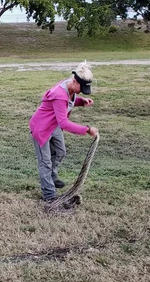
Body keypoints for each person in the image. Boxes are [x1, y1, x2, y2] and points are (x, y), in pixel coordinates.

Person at [29, 61, 99, 202]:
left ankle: (52, 175)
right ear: (74, 81)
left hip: (53, 125)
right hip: (41, 128)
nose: (81, 91)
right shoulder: (60, 93)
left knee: (61, 152)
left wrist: (81, 101)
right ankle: (49, 196)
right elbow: (64, 123)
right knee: (45, 163)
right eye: (81, 89)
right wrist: (86, 130)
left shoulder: (69, 87)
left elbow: (67, 102)